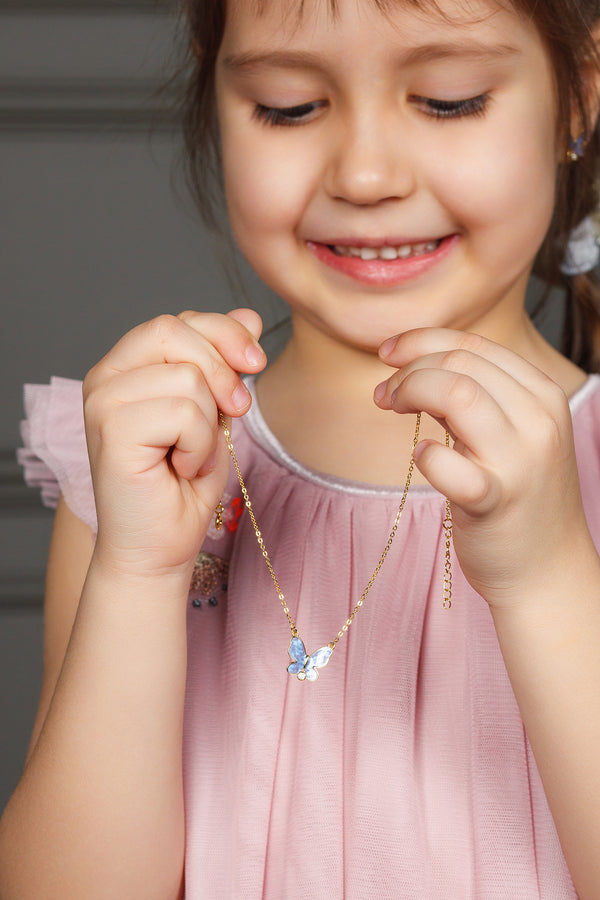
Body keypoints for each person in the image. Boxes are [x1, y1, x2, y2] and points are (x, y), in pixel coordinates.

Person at [1, 0, 600, 895]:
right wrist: (138, 571)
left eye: (448, 99)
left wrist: (549, 577)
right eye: (288, 106)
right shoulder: (149, 468)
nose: (364, 175)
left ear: (580, 95)